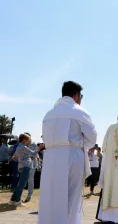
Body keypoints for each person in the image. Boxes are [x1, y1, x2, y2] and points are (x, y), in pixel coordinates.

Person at [38, 81, 97, 224]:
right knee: (71, 197)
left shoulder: (49, 114)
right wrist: (80, 142)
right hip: (72, 155)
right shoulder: (79, 111)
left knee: (50, 195)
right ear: (76, 96)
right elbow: (92, 138)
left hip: (50, 156)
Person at [9, 134, 41, 206]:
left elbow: (14, 157)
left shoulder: (19, 146)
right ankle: (17, 200)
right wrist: (38, 148)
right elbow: (34, 153)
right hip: (25, 167)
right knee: (22, 184)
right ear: (24, 140)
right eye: (28, 140)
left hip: (21, 166)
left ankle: (13, 199)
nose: (29, 142)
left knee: (20, 184)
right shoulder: (23, 147)